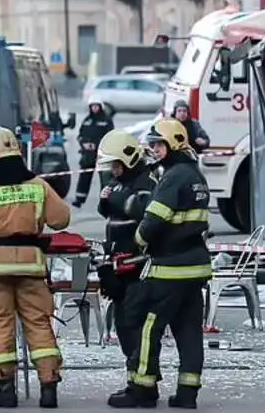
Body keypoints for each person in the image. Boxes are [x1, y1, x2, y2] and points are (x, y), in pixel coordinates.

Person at [0, 126, 71, 408]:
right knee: (38, 322)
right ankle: (48, 387)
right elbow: (61, 219)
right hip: (31, 267)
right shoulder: (38, 185)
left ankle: (5, 389)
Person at [108, 119, 212, 409]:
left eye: (158, 144)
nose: (153, 149)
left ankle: (141, 390)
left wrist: (138, 241)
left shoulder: (174, 176)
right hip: (196, 268)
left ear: (173, 144)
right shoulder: (195, 175)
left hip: (171, 268)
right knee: (189, 331)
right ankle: (187, 394)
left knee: (145, 325)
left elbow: (154, 220)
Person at [94, 130, 158, 377]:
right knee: (122, 324)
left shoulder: (146, 181)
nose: (113, 170)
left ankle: (143, 380)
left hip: (138, 266)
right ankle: (133, 375)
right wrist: (104, 200)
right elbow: (109, 210)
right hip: (117, 265)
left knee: (135, 323)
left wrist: (117, 198)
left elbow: (139, 207)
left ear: (128, 160)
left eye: (116, 165)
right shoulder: (116, 182)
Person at [72, 97, 114, 208]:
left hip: (102, 154)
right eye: (92, 106)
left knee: (105, 178)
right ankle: (79, 199)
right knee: (84, 177)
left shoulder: (106, 120)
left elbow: (110, 136)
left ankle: (105, 201)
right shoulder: (87, 120)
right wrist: (84, 144)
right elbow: (80, 135)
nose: (94, 108)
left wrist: (96, 145)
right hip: (87, 154)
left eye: (97, 106)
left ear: (101, 107)